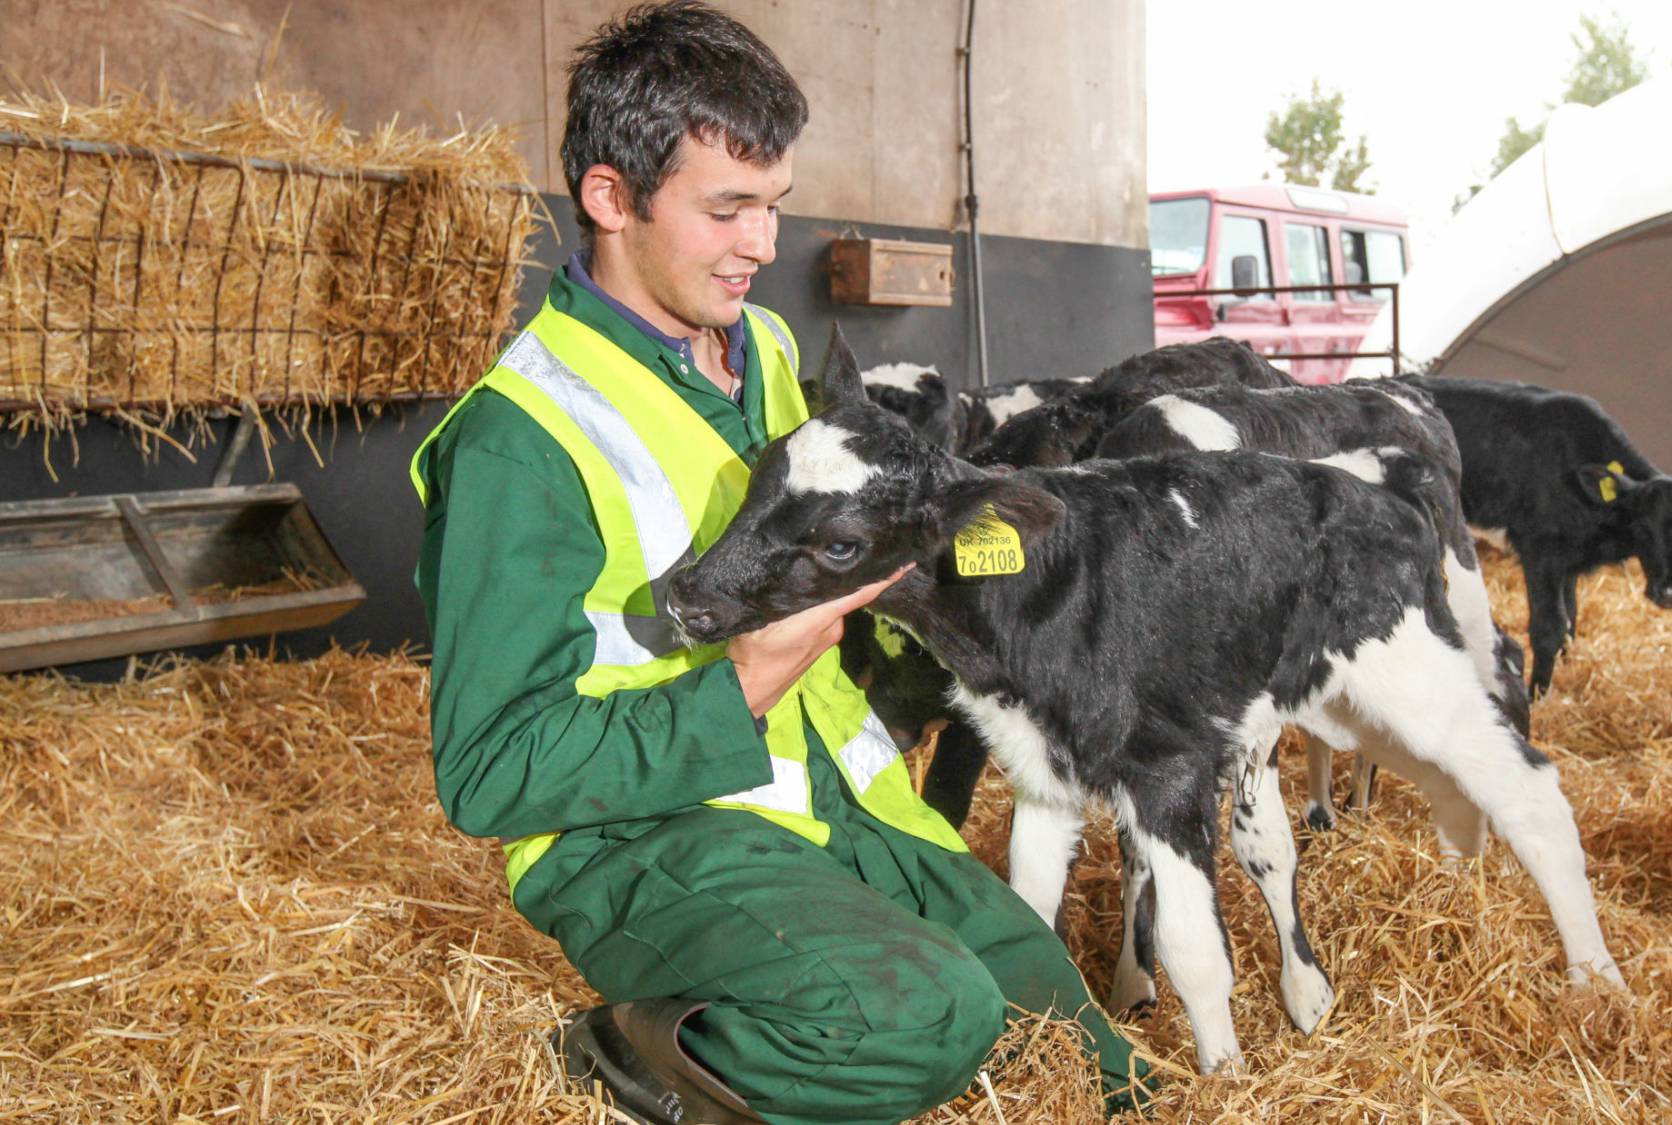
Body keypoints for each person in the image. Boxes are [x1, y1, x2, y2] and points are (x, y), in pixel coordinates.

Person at [408, 4, 1151, 1122]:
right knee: (923, 1020)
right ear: (610, 198)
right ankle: (630, 1051)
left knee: (1076, 1047)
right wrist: (749, 678)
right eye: (727, 210)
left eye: (772, 207)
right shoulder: (520, 438)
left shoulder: (757, 349)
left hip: (821, 797)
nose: (763, 246)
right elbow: (489, 775)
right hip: (638, 835)